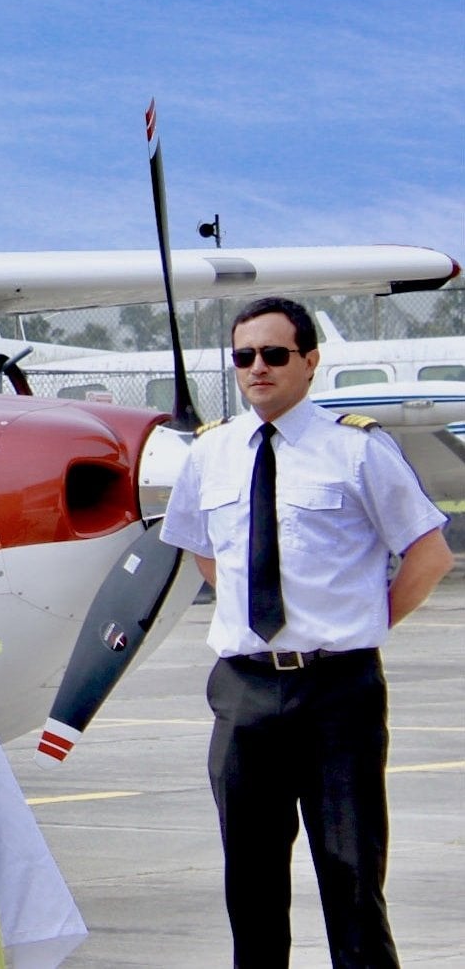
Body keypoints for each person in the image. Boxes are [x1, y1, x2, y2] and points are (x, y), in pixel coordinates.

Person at [158, 296, 452, 969]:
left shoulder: (357, 449)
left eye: (273, 354)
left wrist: (357, 624)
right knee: (250, 888)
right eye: (242, 357)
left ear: (309, 361)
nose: (256, 368)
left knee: (350, 881)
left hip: (335, 694)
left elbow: (428, 553)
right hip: (242, 693)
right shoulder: (212, 454)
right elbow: (207, 552)